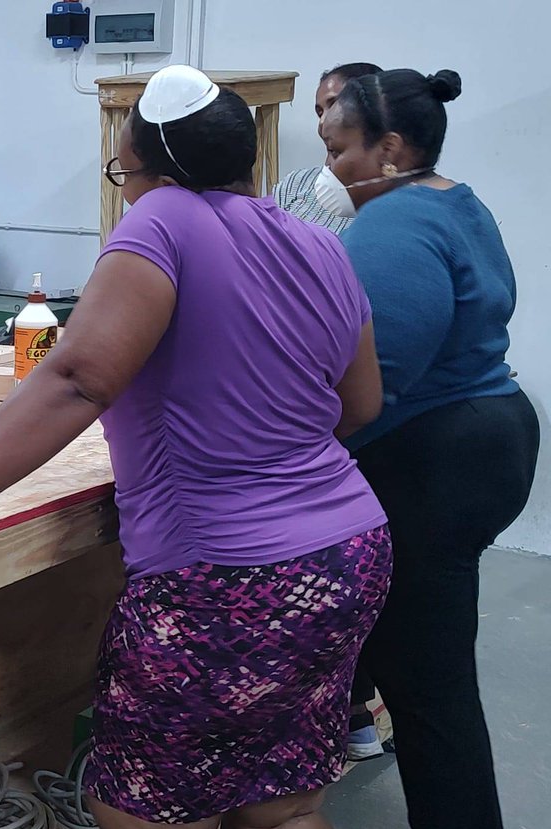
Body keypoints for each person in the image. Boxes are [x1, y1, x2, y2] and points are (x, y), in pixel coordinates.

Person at [0, 66, 392, 829]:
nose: (126, 191)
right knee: (278, 810)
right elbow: (360, 403)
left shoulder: (161, 221)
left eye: (124, 173)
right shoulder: (314, 239)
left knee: (154, 828)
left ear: (150, 167)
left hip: (225, 577)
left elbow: (77, 380)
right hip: (345, 552)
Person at [321, 70, 539, 829]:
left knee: (430, 666)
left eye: (339, 149)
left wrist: (286, 445)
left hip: (439, 453)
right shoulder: (457, 201)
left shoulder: (396, 223)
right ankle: (350, 726)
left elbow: (372, 381)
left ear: (393, 148)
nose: (333, 168)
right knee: (390, 619)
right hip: (489, 429)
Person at [276, 61, 388, 763]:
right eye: (317, 110)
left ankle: (350, 714)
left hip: (338, 408)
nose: (322, 124)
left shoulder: (387, 210)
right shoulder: (295, 188)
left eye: (336, 112)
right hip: (291, 392)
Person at [274, 63, 382, 235]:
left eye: (334, 105)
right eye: (319, 112)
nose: (323, 121)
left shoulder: (390, 201)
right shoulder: (295, 184)